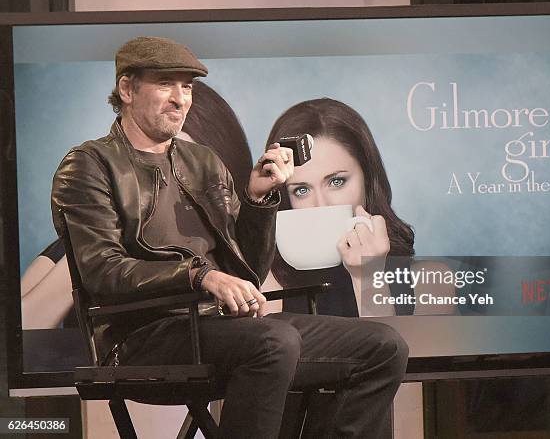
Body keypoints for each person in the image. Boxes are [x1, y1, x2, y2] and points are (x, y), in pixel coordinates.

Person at [51, 36, 408, 439]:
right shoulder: (88, 165)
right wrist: (200, 276)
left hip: (221, 329)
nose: (180, 98)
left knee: (383, 347)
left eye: (187, 87)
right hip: (143, 335)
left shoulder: (203, 162)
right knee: (274, 340)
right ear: (127, 89)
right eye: (166, 83)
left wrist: (258, 200)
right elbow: (103, 270)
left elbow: (249, 272)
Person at [21, 80, 254, 330]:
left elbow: (251, 276)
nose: (171, 175)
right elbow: (24, 326)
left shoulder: (217, 221)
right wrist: (86, 251)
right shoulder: (89, 206)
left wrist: (258, 201)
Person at [263, 98, 455, 317]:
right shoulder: (270, 284)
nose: (321, 205)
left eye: (336, 182)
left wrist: (368, 278)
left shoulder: (430, 281)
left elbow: (389, 350)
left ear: (368, 178)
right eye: (302, 190)